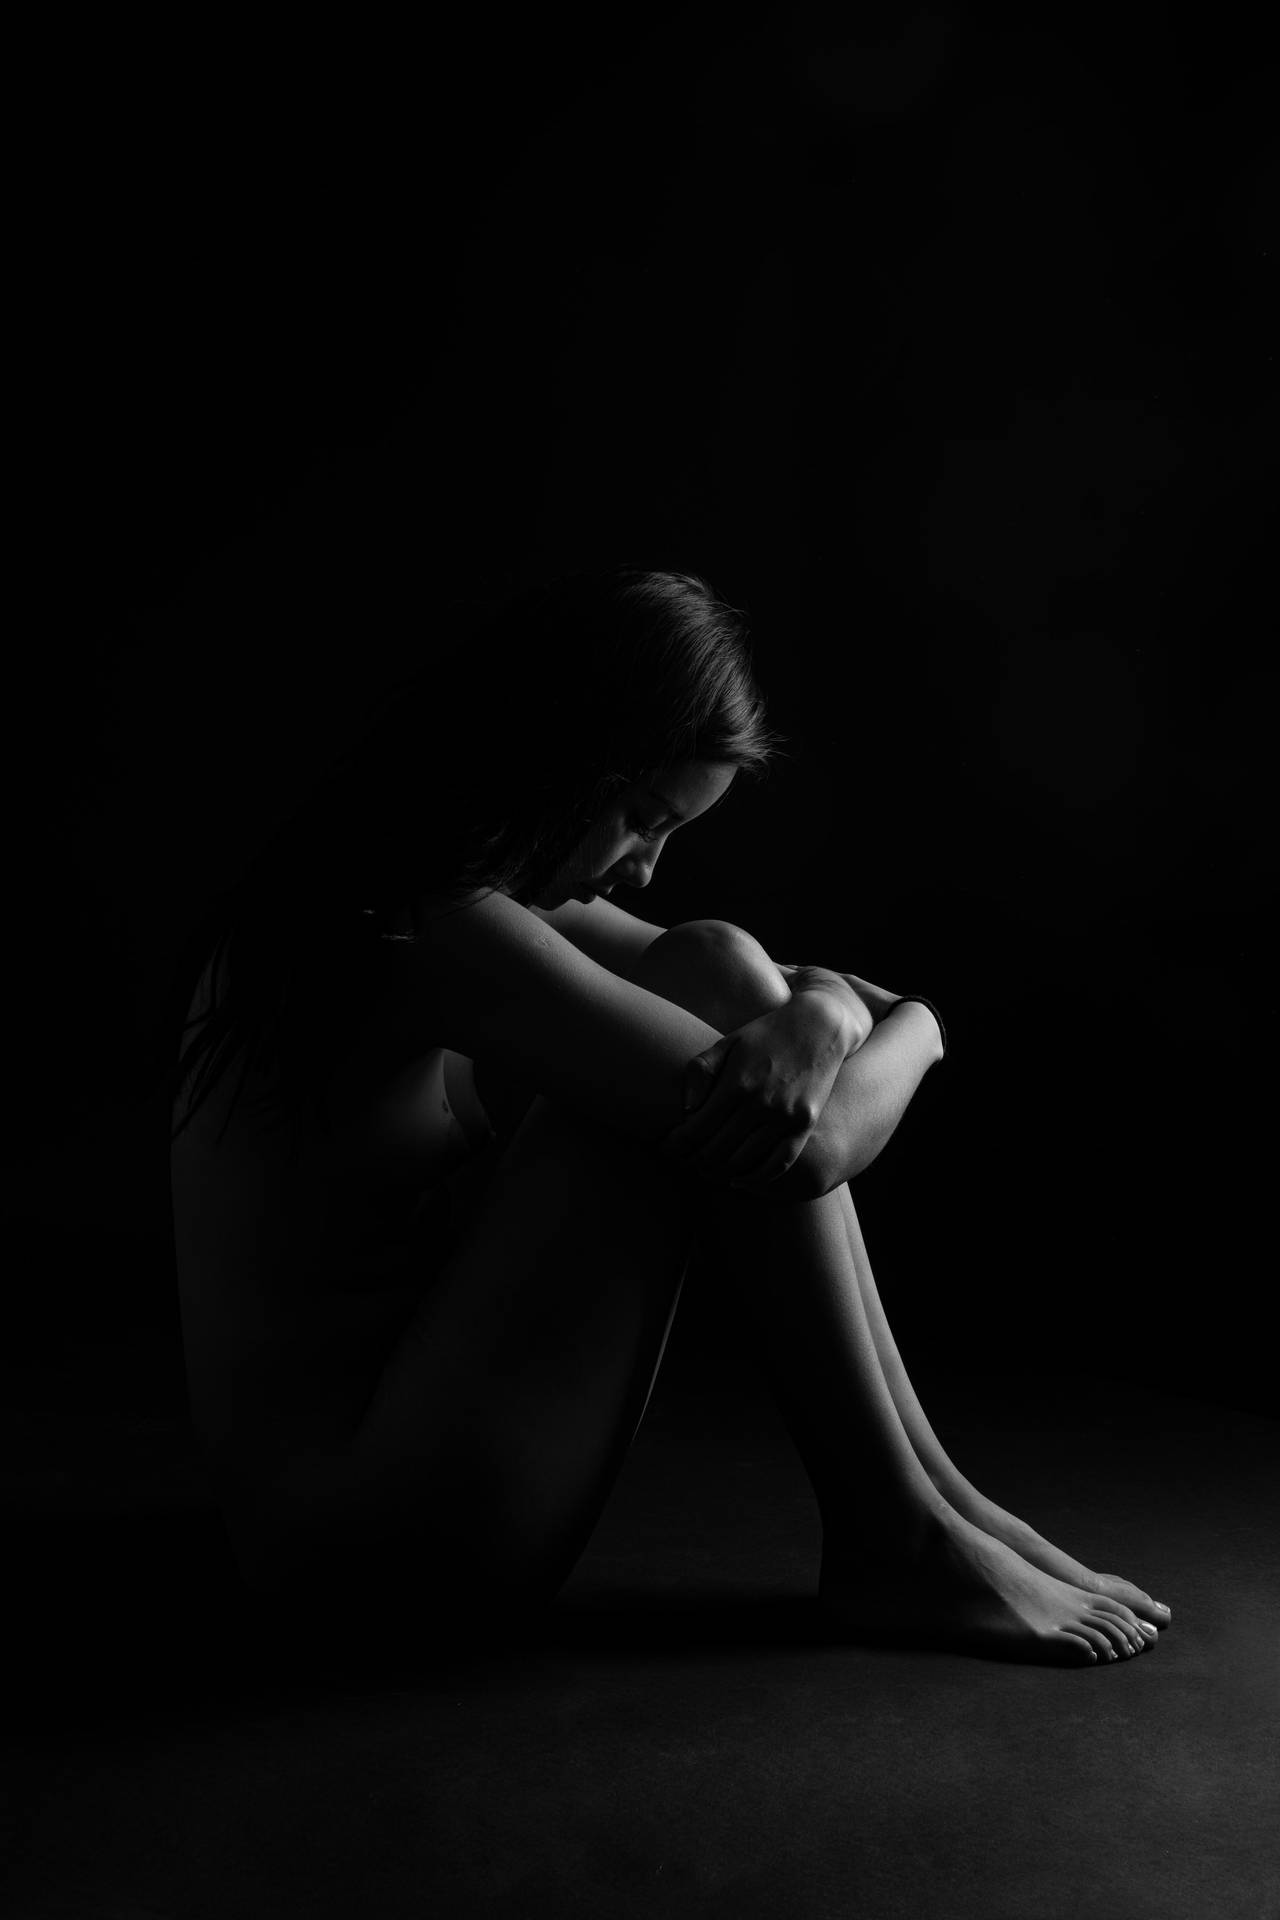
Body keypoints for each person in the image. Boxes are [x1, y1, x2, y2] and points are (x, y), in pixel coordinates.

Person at [168, 564, 1170, 1665]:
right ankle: (900, 1531)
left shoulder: (417, 879)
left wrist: (828, 1014)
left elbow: (780, 990)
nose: (639, 868)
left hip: (361, 1508)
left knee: (719, 975)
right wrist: (922, 1026)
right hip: (361, 1567)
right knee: (720, 1020)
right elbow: (812, 1145)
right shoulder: (410, 929)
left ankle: (931, 1499)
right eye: (637, 817)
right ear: (550, 764)